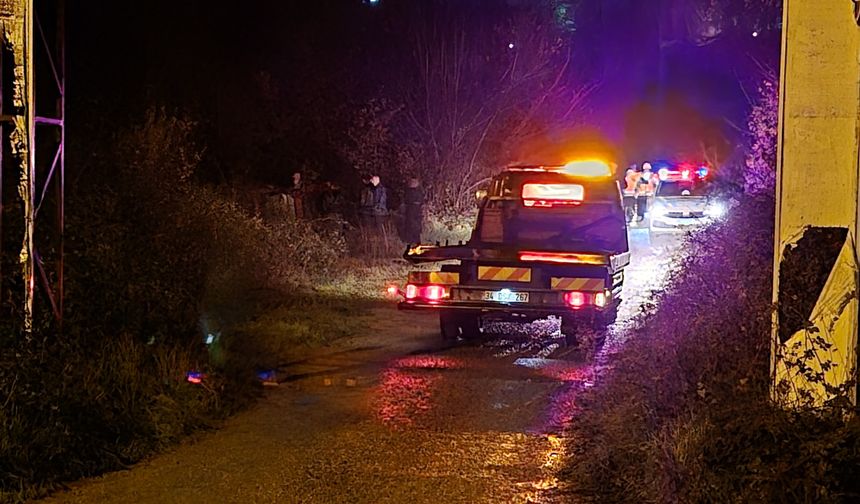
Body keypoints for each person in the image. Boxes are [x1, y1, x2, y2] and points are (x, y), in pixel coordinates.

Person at [403, 177, 424, 244]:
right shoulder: (420, 192)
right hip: (418, 210)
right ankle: (417, 241)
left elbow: (406, 200)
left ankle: (410, 241)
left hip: (411, 210)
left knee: (410, 225)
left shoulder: (408, 192)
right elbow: (422, 201)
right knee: (416, 225)